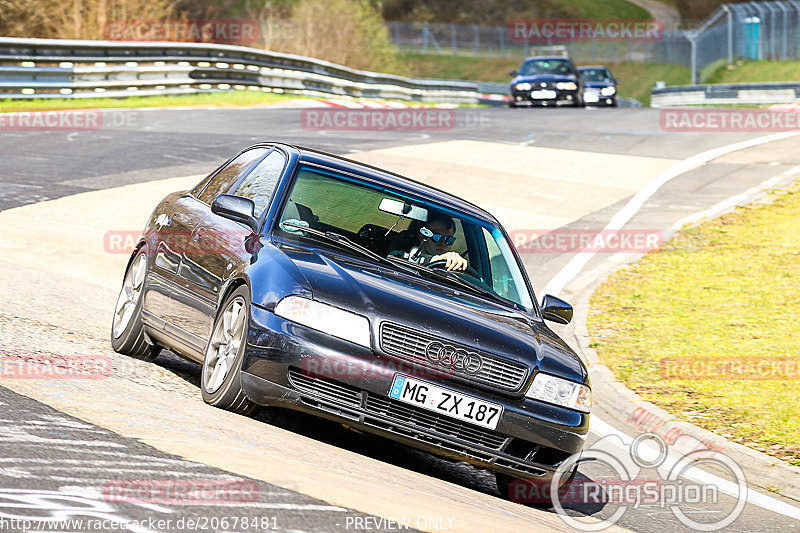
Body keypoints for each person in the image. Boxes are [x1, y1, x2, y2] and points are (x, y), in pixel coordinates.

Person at [392, 213, 468, 271]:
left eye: (449, 239)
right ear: (421, 237)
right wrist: (432, 260)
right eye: (437, 237)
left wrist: (458, 264)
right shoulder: (400, 256)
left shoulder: (452, 264)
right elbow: (391, 258)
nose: (443, 243)